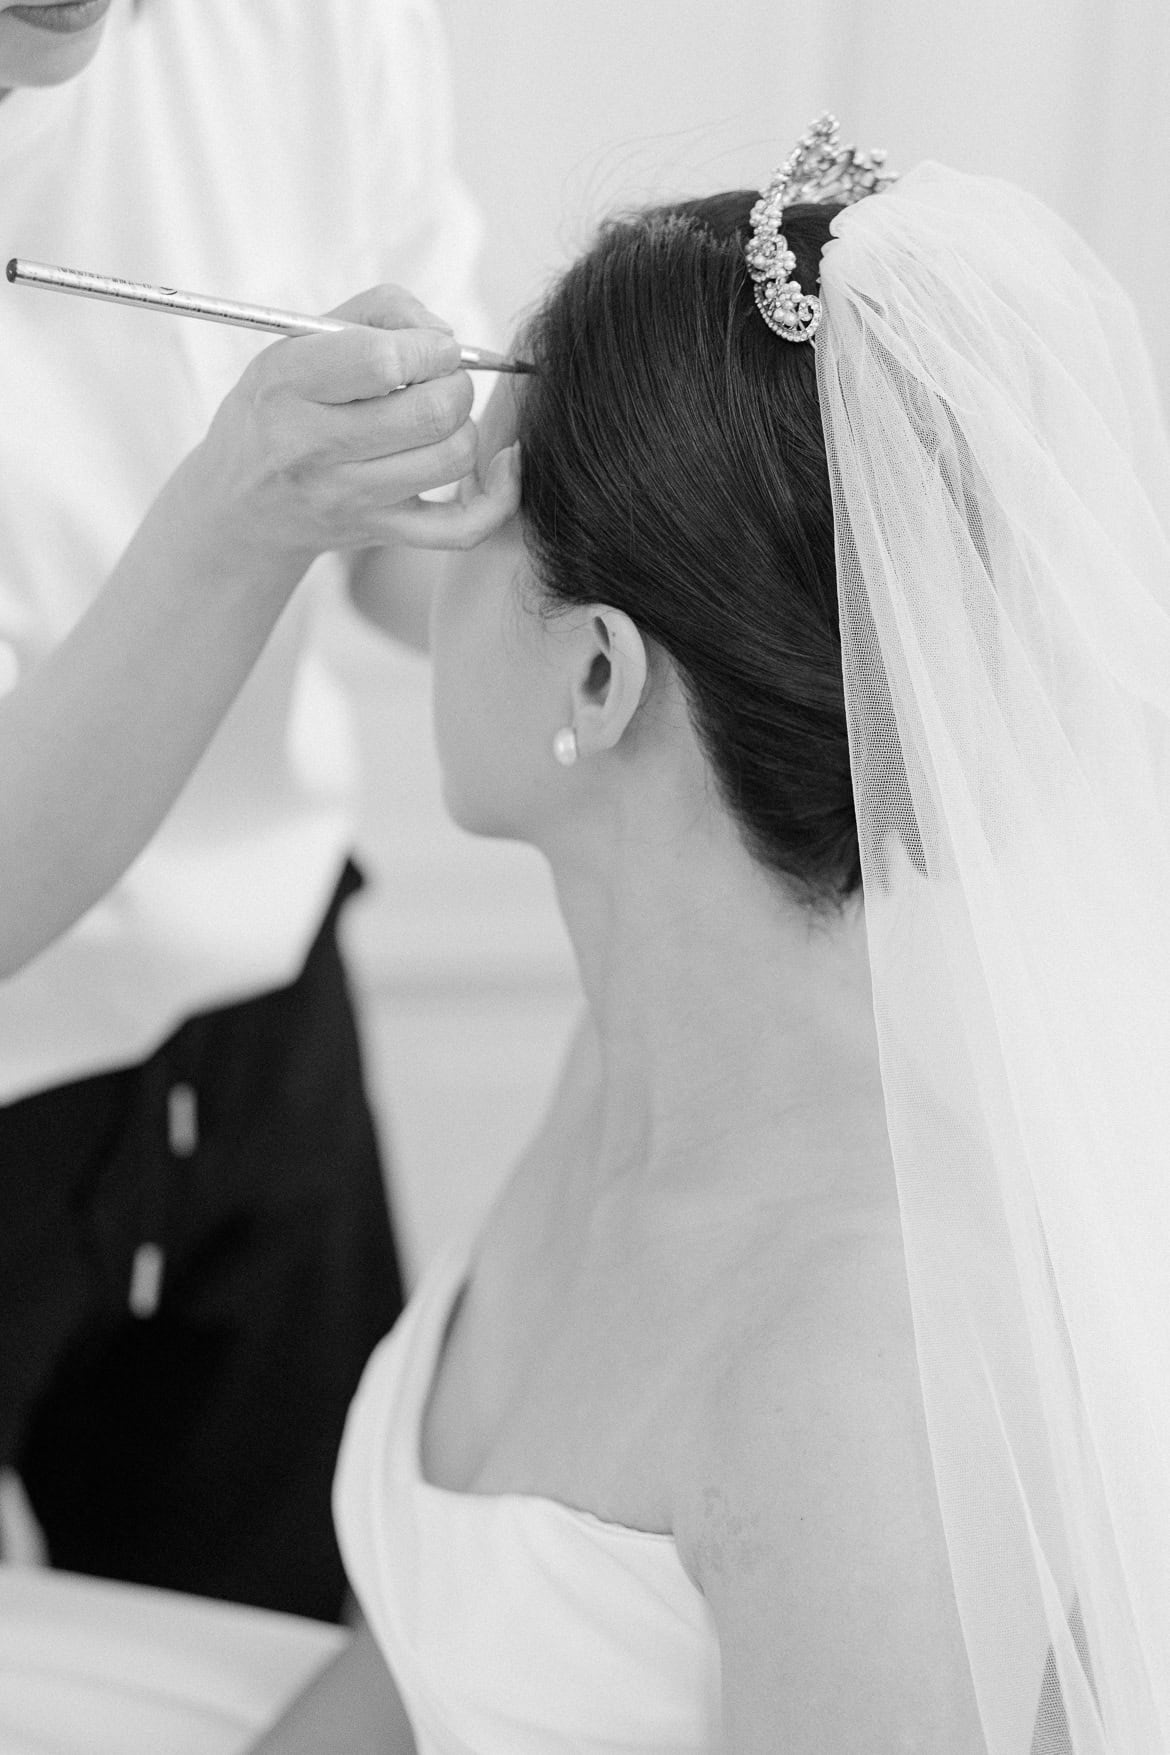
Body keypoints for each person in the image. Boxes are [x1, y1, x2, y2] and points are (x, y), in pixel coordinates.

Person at [253, 120, 1169, 1753]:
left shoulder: (855, 1375)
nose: (419, 548)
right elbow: (418, 1661)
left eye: (483, 508)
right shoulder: (624, 1065)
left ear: (598, 678)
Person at [0, 0, 513, 1623]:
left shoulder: (318, 24)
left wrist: (649, 553)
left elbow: (400, 551)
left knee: (291, 1630)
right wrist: (236, 518)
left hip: (261, 1031)